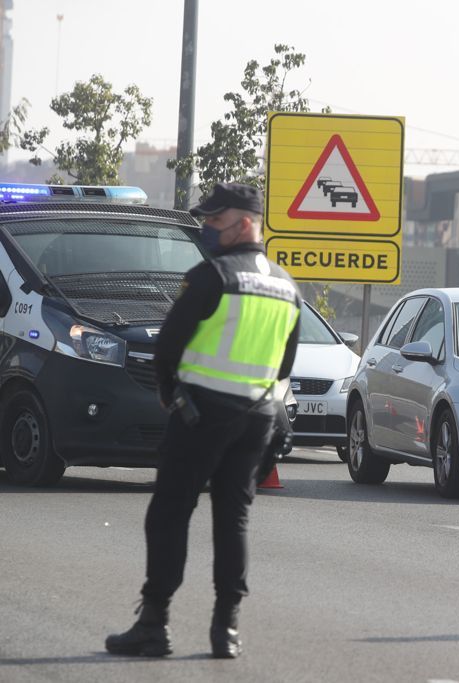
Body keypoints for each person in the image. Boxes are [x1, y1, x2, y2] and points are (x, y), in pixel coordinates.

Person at [105, 182, 302, 658]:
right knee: (232, 520)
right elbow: (285, 365)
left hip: (201, 414)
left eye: (215, 221)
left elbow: (168, 346)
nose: (207, 229)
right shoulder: (288, 287)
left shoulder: (210, 276)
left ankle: (154, 624)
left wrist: (171, 395)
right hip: (256, 417)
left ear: (247, 223)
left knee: (171, 513)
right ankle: (226, 631)